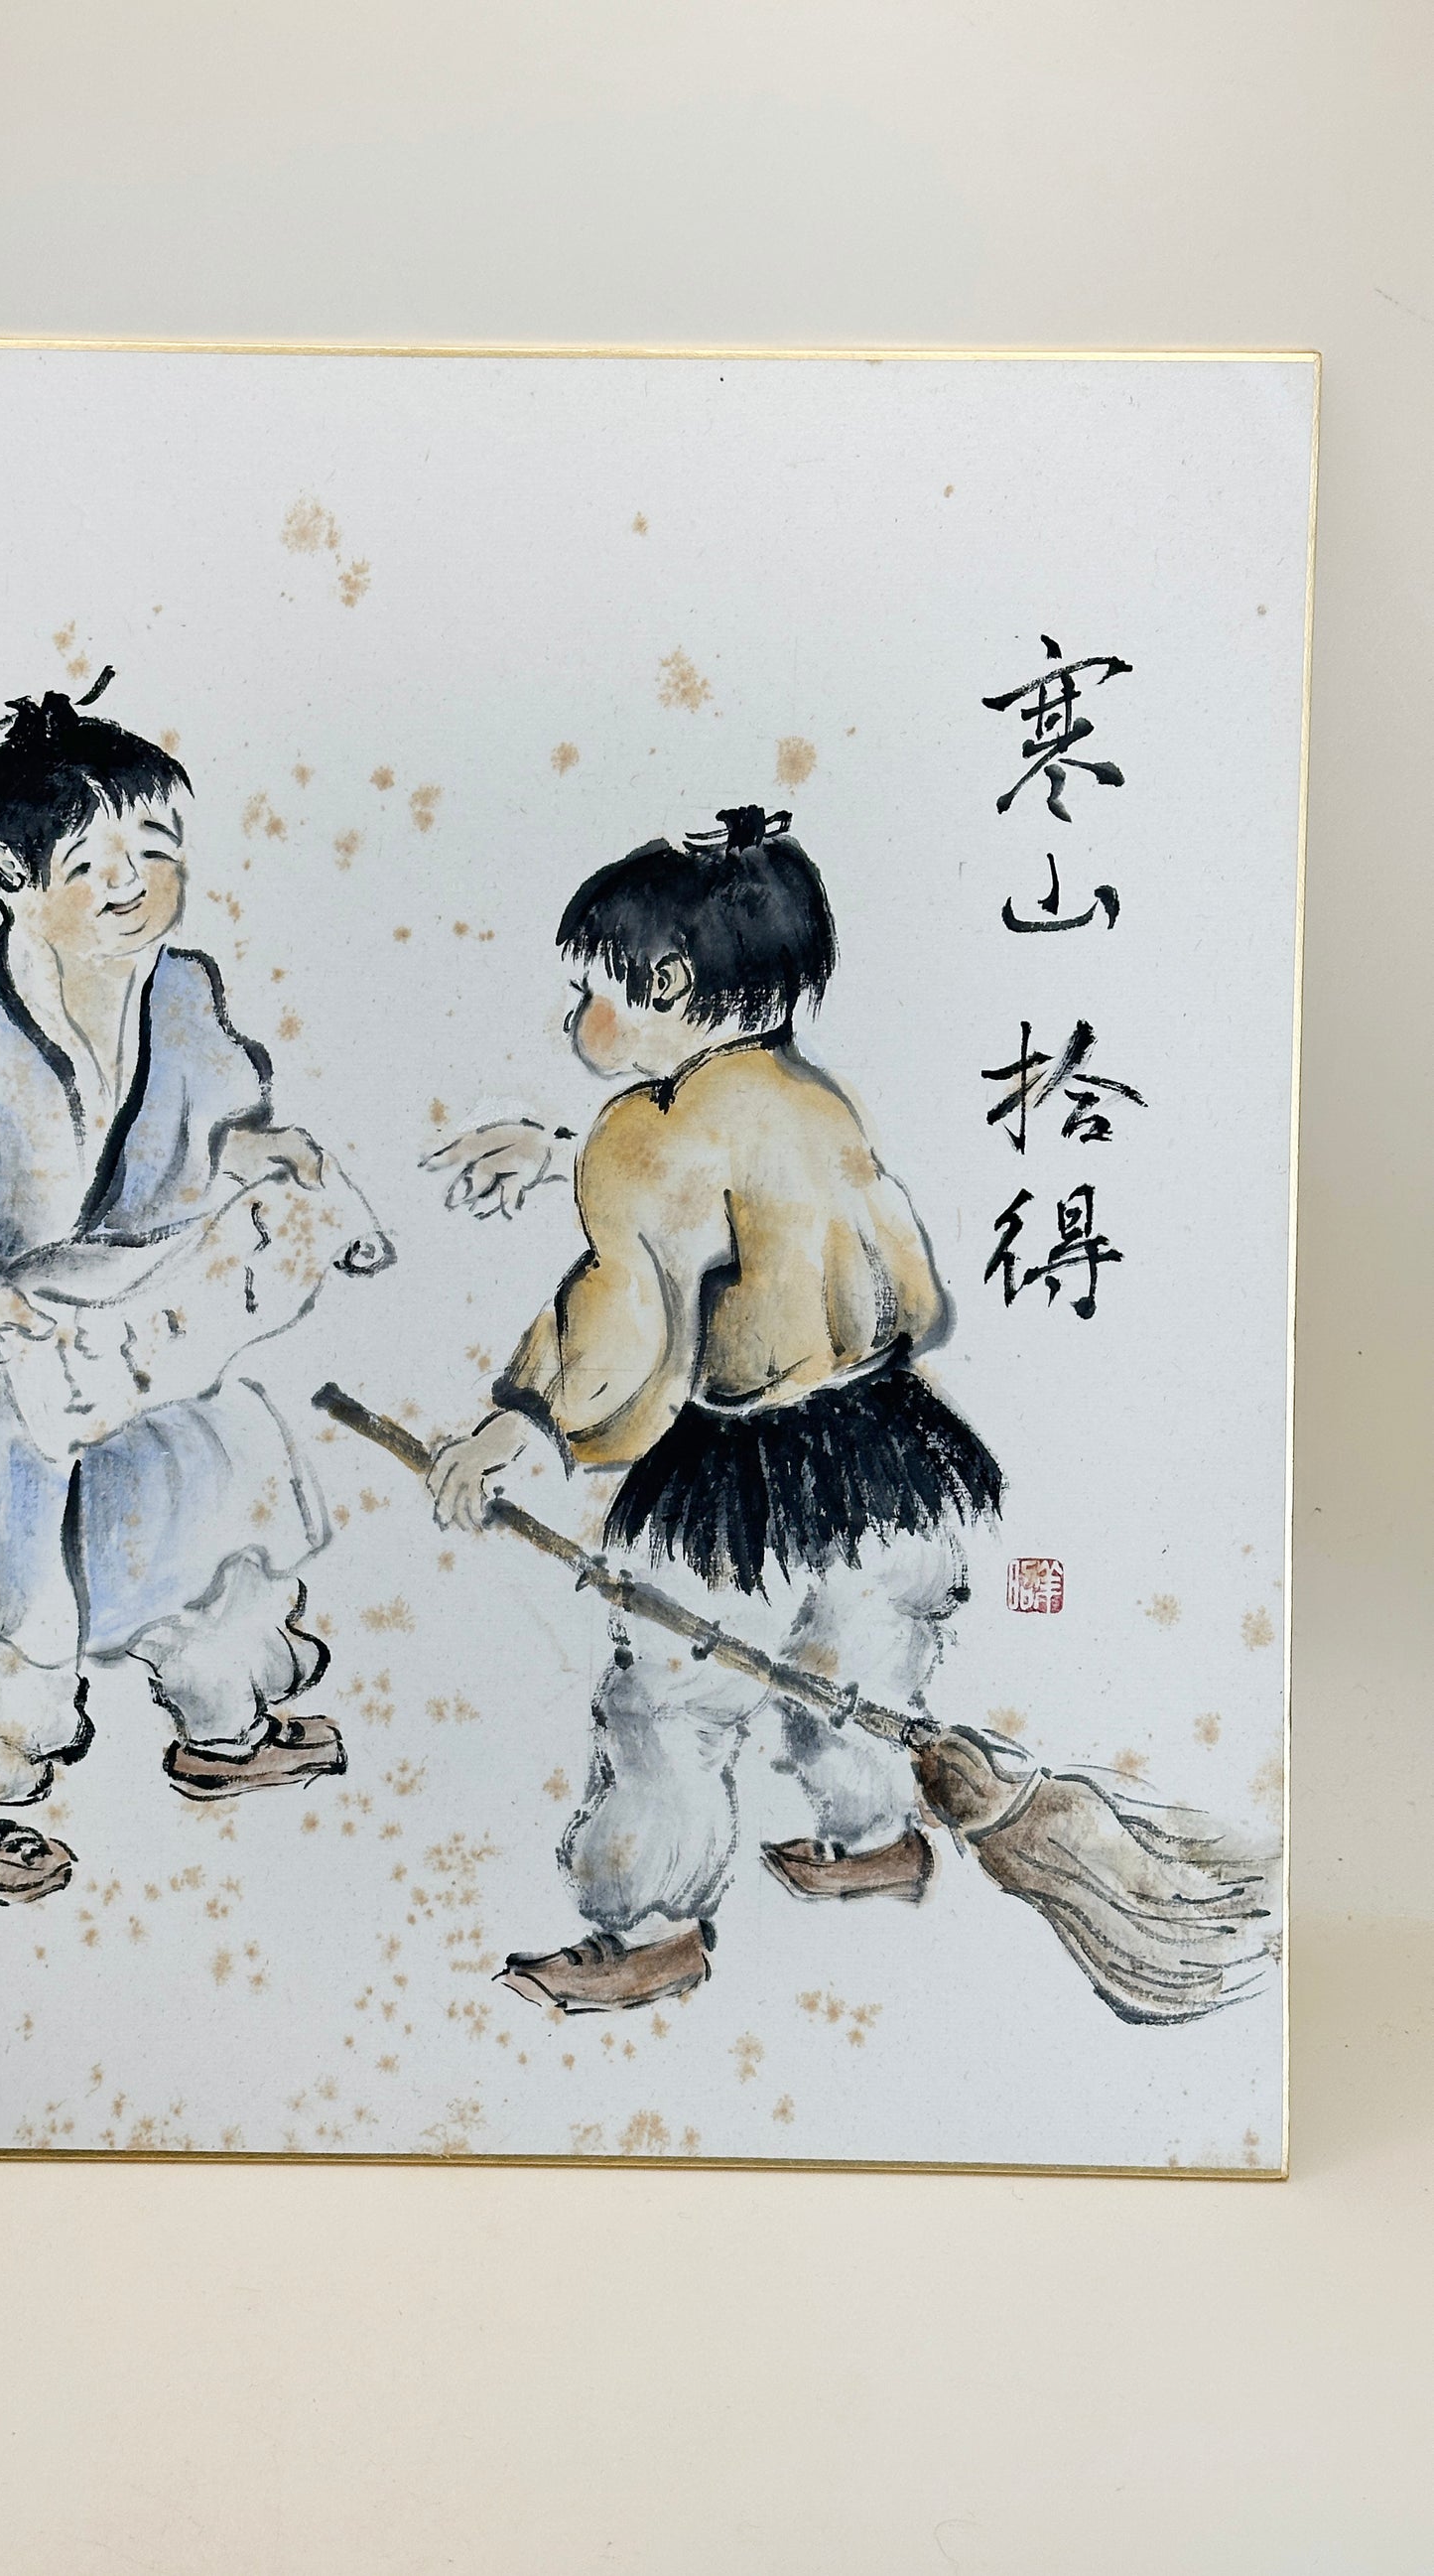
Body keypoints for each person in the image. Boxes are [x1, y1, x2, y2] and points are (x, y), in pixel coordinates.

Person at [424, 805, 1003, 2012]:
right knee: (853, 1664)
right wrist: (562, 1152)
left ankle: (646, 1929)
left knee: (669, 1702)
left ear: (668, 985)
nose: (575, 1016)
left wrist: (520, 1420)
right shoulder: (811, 1098)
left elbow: (625, 1316)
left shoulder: (645, 1134)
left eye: (590, 989)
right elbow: (899, 1280)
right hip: (885, 1447)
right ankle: (876, 1841)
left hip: (738, 1476)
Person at [0, 676, 346, 1906]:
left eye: (154, 850)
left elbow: (210, 1110)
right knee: (10, 1576)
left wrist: (251, 1149)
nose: (132, 885)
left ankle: (225, 1719)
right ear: (13, 876)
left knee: (211, 1489)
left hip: (131, 1310)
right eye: (92, 863)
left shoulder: (180, 989)